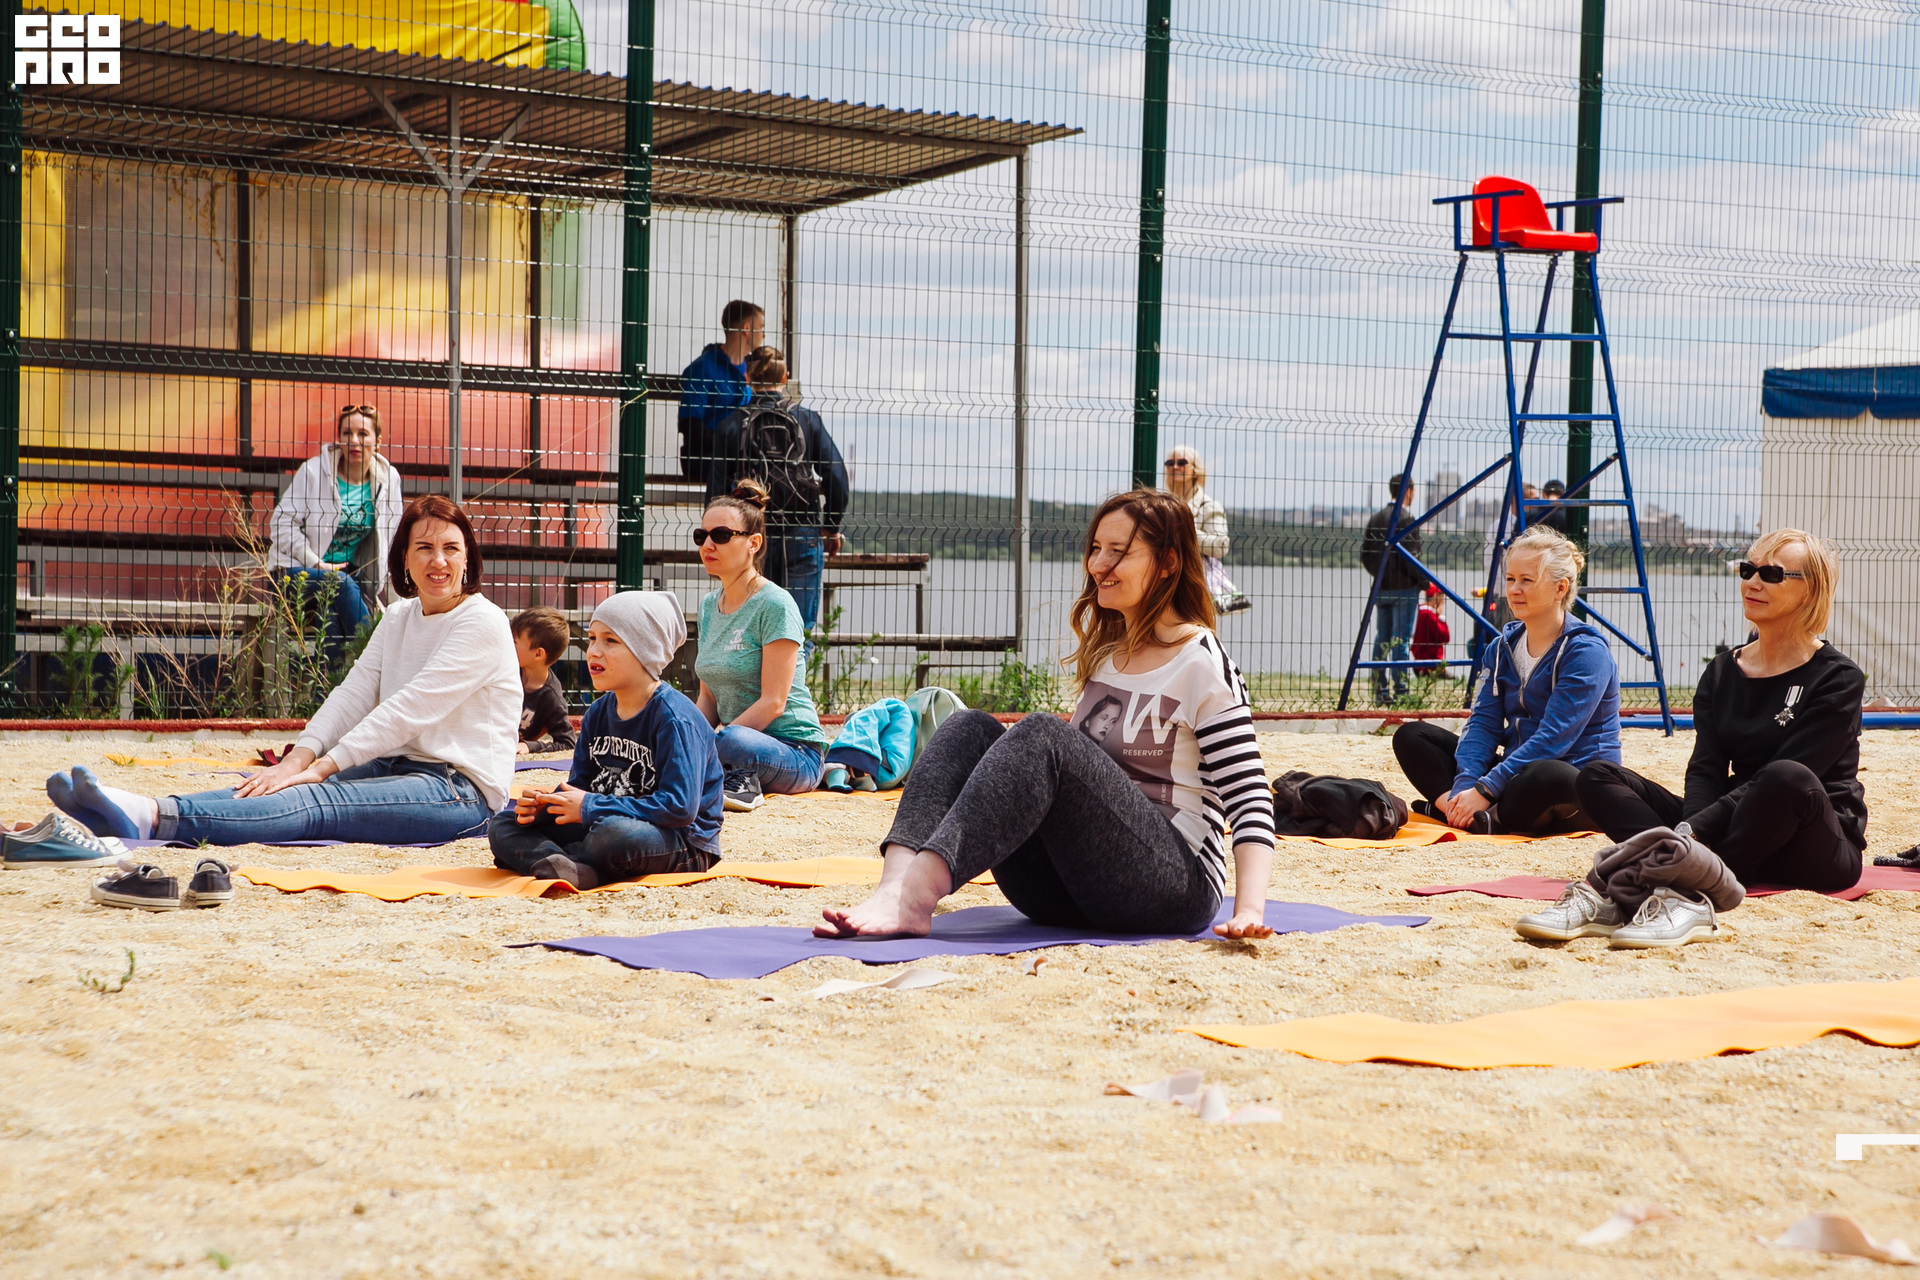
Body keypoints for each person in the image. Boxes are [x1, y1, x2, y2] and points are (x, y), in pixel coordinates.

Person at [814, 488, 1276, 942]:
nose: (1098, 564)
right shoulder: (1109, 654)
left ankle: (916, 896)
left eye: (1118, 552)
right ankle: (895, 887)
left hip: (1172, 888)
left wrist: (1249, 910)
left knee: (1044, 733)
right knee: (967, 727)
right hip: (1068, 890)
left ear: (1168, 562)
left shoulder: (1200, 662)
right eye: (1096, 548)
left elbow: (1250, 798)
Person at [49, 496, 520, 845]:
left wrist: (323, 767)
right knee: (269, 784)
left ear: (467, 557)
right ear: (404, 559)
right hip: (394, 766)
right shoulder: (398, 617)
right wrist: (297, 760)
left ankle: (152, 819)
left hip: (459, 792)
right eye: (424, 547)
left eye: (451, 548)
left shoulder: (483, 622)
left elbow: (410, 709)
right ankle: (149, 807)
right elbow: (353, 693)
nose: (438, 561)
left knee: (319, 799)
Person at [1552, 529, 1865, 945]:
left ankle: (1685, 888)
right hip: (1735, 828)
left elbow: (1794, 776)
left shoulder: (1838, 678)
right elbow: (1706, 768)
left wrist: (1693, 831)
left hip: (1811, 842)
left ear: (1810, 590)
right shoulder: (1722, 670)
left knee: (1786, 776)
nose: (1752, 582)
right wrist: (1690, 828)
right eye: (1748, 569)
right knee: (1596, 776)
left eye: (1771, 574)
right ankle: (1687, 867)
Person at [1392, 525, 1620, 836]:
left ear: (1560, 588)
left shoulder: (1586, 652)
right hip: (1515, 775)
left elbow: (1554, 739)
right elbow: (1483, 723)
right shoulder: (1501, 648)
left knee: (1545, 775)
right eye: (1511, 579)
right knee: (1412, 736)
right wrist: (1467, 787)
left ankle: (1480, 813)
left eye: (1527, 580)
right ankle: (1460, 811)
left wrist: (1485, 790)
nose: (1514, 589)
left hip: (1572, 781)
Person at [490, 592, 724, 890]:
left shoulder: (675, 718)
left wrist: (589, 807)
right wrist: (545, 806)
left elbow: (679, 808)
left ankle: (563, 863)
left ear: (646, 651)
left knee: (615, 835)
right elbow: (580, 787)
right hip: (603, 822)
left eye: (610, 641)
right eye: (592, 639)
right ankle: (569, 866)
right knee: (504, 824)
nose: (594, 652)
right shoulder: (598, 712)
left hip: (680, 841)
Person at [694, 479, 831, 812]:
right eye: (702, 536)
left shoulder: (775, 604)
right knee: (674, 738)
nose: (708, 544)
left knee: (731, 742)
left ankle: (739, 782)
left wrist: (709, 745)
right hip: (732, 741)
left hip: (795, 752)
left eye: (721, 535)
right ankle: (726, 773)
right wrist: (688, 737)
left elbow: (774, 703)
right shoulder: (709, 606)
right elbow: (708, 698)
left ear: (753, 543)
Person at [709, 345, 849, 634]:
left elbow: (717, 494)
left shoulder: (730, 425)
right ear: (785, 378)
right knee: (797, 629)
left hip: (749, 538)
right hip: (801, 531)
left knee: (748, 628)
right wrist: (831, 527)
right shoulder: (807, 420)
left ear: (747, 377)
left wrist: (720, 538)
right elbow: (837, 477)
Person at [269, 403, 405, 657]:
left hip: (348, 580)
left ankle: (328, 682)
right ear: (339, 438)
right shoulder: (313, 472)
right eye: (347, 433)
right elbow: (281, 525)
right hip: (295, 574)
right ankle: (378, 657)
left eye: (363, 433)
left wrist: (398, 603)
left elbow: (393, 539)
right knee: (338, 584)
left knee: (330, 615)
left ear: (378, 441)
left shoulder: (388, 479)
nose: (354, 440)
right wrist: (316, 563)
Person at [677, 299, 763, 488]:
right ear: (746, 329)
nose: (763, 334)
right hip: (711, 459)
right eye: (761, 327)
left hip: (744, 460)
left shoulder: (752, 369)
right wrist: (731, 443)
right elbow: (691, 425)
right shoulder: (702, 369)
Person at [1361, 473, 1425, 704]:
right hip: (1405, 588)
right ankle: (1401, 691)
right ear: (1409, 491)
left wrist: (1380, 574)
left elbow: (1366, 555)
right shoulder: (1407, 519)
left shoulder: (1376, 518)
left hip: (1382, 588)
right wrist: (1424, 582)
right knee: (1401, 640)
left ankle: (1380, 690)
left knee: (1382, 638)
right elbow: (1411, 558)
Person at [1164, 446, 1248, 615]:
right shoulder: (1162, 504)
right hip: (1163, 585)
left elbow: (1220, 546)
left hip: (1193, 587)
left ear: (1196, 470)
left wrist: (1185, 532)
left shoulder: (1209, 506)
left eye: (1182, 462)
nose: (1175, 467)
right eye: (1169, 463)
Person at [511, 606, 578, 755]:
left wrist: (530, 746)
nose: (508, 645)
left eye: (514, 642)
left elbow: (567, 743)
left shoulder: (551, 698)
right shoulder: (507, 670)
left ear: (538, 654)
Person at [1411, 583, 1450, 675]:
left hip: (1419, 662)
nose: (1443, 601)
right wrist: (1441, 617)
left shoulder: (1419, 610)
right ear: (1436, 596)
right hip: (1431, 665)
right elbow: (1444, 637)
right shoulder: (1429, 614)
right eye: (1442, 597)